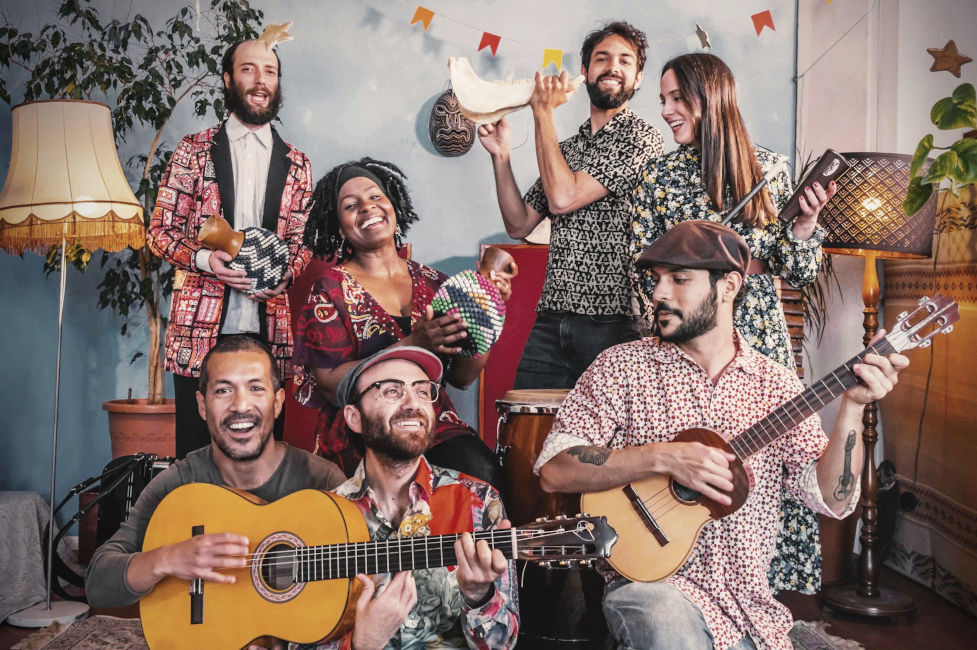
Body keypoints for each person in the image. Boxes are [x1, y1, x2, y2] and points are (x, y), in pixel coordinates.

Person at [534, 221, 908, 650]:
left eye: (679, 279)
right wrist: (662, 458)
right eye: (656, 280)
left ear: (728, 285)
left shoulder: (775, 384)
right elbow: (554, 469)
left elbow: (834, 501)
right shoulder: (621, 367)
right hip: (652, 589)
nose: (658, 294)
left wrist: (854, 407)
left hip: (751, 613)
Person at [630, 52, 837, 594]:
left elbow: (799, 269)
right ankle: (675, 574)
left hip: (758, 339)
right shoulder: (657, 175)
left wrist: (806, 225)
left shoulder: (769, 170)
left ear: (711, 98)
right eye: (663, 101)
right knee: (688, 461)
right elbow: (640, 269)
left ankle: (751, 591)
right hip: (682, 342)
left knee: (760, 466)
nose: (668, 111)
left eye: (678, 99)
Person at [85, 335, 345, 613]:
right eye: (223, 391)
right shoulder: (179, 483)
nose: (240, 406)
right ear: (201, 405)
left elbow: (353, 591)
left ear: (278, 402)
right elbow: (98, 584)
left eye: (256, 388)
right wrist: (168, 558)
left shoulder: (324, 483)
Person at [146, 37, 313, 459]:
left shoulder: (298, 162)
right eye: (248, 69)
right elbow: (160, 232)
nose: (261, 81)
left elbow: (302, 242)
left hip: (270, 331)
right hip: (199, 335)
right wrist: (206, 260)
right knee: (197, 460)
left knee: (263, 457)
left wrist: (285, 274)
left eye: (270, 72)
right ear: (227, 79)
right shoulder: (192, 150)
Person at [293, 158, 503, 489]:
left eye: (376, 197)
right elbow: (332, 388)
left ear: (393, 204)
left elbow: (463, 377)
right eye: (351, 205)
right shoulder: (330, 291)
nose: (367, 207)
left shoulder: (436, 283)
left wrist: (488, 312)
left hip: (429, 422)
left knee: (480, 473)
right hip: (364, 429)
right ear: (338, 225)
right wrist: (413, 344)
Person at [478, 20, 664, 389]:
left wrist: (542, 112)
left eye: (626, 61)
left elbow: (562, 199)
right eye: (602, 58)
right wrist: (501, 158)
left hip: (613, 323)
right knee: (526, 434)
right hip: (551, 319)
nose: (613, 67)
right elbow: (519, 224)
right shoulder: (566, 150)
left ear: (638, 77)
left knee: (607, 445)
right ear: (585, 71)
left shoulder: (642, 138)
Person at [307, 346, 518, 650]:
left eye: (422, 392)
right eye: (391, 391)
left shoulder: (479, 501)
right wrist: (362, 643)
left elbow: (504, 644)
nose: (412, 403)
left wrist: (479, 596)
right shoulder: (322, 516)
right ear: (354, 417)